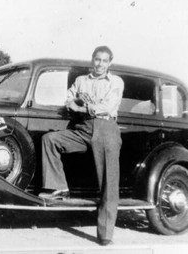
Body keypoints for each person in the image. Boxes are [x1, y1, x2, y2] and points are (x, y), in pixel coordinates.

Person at [39, 46, 124, 246]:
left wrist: (82, 107)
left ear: (110, 63)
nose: (100, 64)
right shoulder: (80, 81)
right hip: (82, 128)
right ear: (92, 60)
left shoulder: (116, 82)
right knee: (50, 140)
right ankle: (58, 189)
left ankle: (105, 235)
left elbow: (108, 106)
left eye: (104, 61)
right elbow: (68, 101)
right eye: (97, 59)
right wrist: (76, 100)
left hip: (106, 128)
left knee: (109, 183)